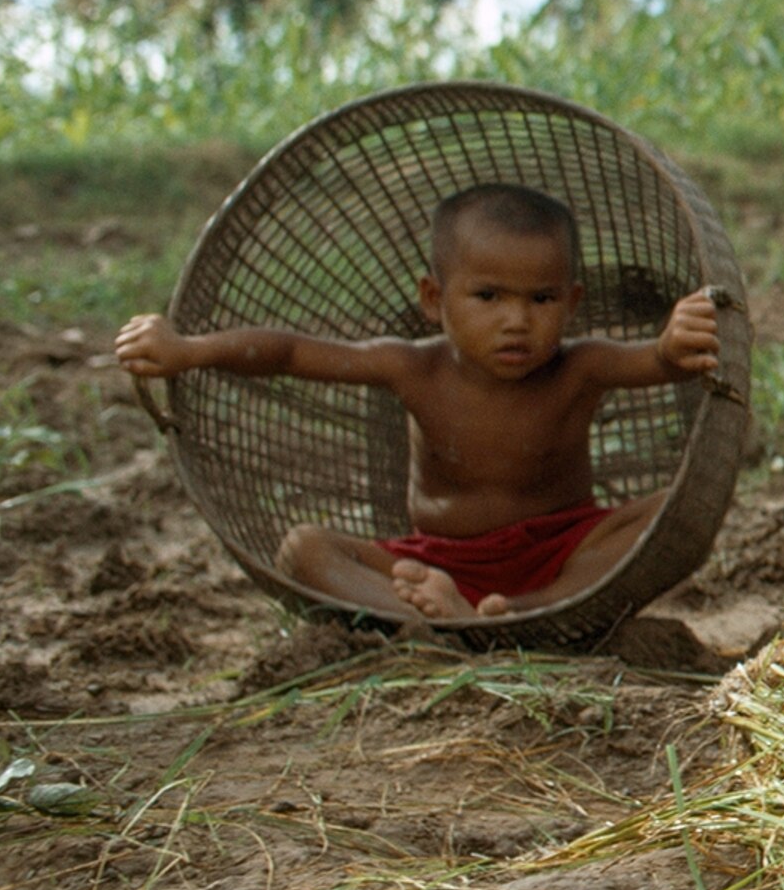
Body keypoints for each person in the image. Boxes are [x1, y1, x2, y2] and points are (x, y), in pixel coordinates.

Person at [117, 182, 724, 623]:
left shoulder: (582, 365)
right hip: (439, 561)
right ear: (434, 299)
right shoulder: (412, 366)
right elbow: (292, 353)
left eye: (542, 300)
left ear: (572, 302)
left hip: (562, 552)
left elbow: (660, 363)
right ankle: (439, 621)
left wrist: (676, 341)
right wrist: (190, 350)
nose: (517, 321)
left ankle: (518, 612)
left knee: (673, 505)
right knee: (305, 550)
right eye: (487, 296)